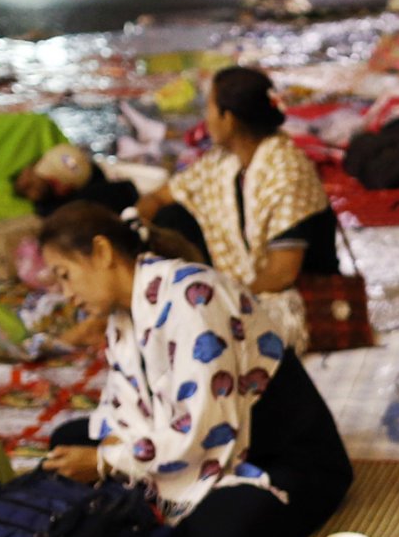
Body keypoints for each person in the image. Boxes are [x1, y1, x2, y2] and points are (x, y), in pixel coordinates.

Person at [35, 202, 352, 537]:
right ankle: (149, 503)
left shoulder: (193, 297)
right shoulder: (124, 314)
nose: (67, 294)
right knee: (66, 441)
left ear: (102, 252)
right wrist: (107, 451)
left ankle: (149, 506)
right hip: (195, 440)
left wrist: (107, 462)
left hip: (277, 455)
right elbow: (128, 407)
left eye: (65, 275)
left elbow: (202, 430)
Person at [140, 66, 336, 351]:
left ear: (228, 118)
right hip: (248, 292)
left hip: (296, 300)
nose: (205, 119)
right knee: (169, 218)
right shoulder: (224, 163)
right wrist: (135, 221)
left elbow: (282, 273)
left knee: (195, 340)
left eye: (209, 108)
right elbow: (161, 196)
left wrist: (224, 304)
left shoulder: (286, 170)